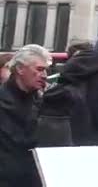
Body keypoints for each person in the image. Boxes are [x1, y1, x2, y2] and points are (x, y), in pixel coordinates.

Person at [0, 45, 50, 187]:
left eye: (46, 70)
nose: (45, 75)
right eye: (39, 69)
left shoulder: (43, 102)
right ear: (20, 69)